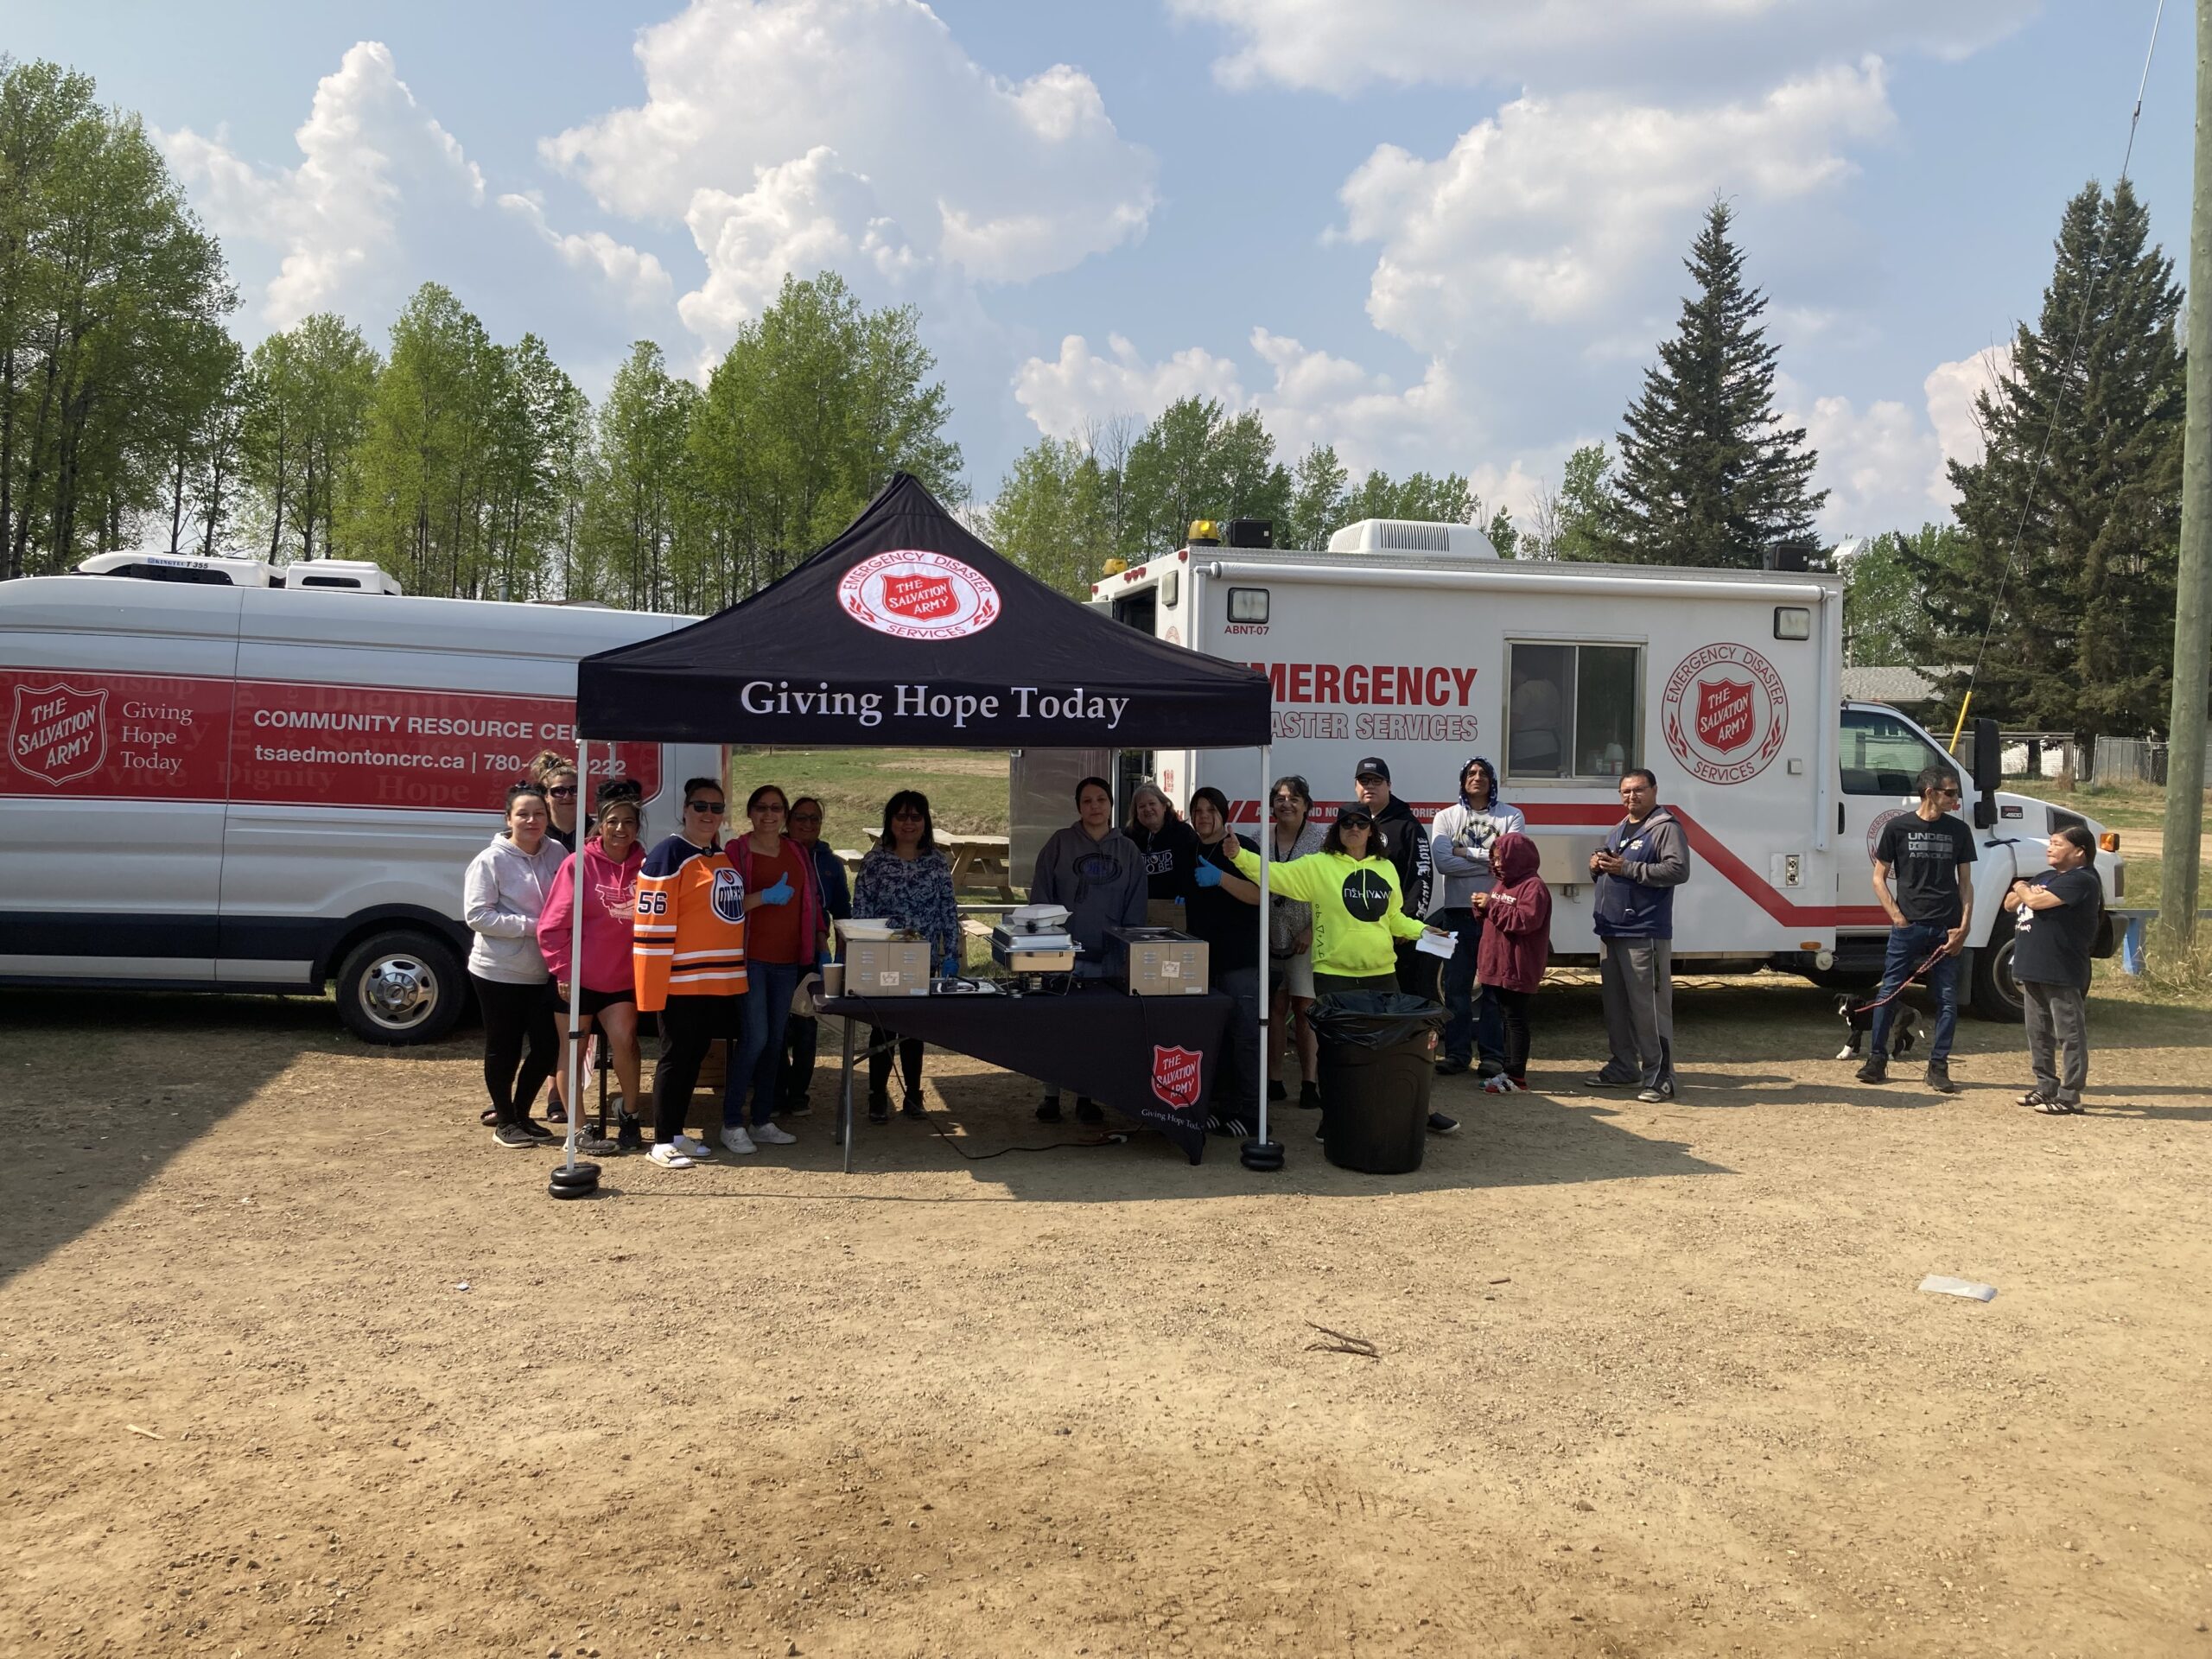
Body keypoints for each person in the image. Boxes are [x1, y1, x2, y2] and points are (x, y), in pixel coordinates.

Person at [1227, 801, 1459, 1135]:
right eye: (1347, 822)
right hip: (1334, 977)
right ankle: (1333, 1119)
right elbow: (1274, 876)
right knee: (1338, 1055)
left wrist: (1428, 934)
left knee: (1393, 1050)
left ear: (1371, 831)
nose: (1354, 828)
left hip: (1381, 975)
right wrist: (1239, 856)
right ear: (1337, 830)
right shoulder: (1319, 866)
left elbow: (1393, 919)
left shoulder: (1386, 868)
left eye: (1361, 823)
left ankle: (1410, 1111)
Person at [633, 778, 745, 1169]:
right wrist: (651, 987)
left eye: (717, 808)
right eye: (701, 807)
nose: (709, 815)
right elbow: (650, 925)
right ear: (684, 809)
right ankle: (662, 1139)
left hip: (715, 979)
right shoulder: (668, 854)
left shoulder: (718, 855)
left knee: (695, 1055)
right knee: (675, 1056)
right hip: (680, 979)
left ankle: (679, 1132)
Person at [538, 779, 647, 1154]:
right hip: (577, 978)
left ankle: (630, 1115)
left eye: (629, 822)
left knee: (626, 1043)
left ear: (637, 827)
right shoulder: (578, 864)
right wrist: (564, 971)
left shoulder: (646, 867)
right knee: (575, 1049)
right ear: (600, 826)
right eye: (613, 821)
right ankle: (579, 1129)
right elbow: (552, 925)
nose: (621, 829)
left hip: (621, 978)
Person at [1031, 775, 1147, 1124]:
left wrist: (1123, 952)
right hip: (1062, 955)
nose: (1094, 807)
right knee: (1057, 1027)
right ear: (1078, 807)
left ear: (1111, 805)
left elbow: (1135, 906)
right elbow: (1041, 896)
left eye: (1101, 800)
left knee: (1095, 1030)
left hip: (1107, 961)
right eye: (1087, 801)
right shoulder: (1060, 844)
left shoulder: (1128, 850)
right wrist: (1050, 944)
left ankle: (1087, 1097)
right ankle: (1051, 1095)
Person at [1859, 766, 1976, 1093]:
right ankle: (1876, 1060)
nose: (1956, 799)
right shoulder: (1898, 828)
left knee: (1947, 1000)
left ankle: (1938, 1066)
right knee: (1889, 992)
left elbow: (1965, 884)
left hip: (1947, 928)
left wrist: (1964, 927)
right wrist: (1897, 917)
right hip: (1908, 926)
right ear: (1930, 792)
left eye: (1956, 793)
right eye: (1950, 793)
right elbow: (1878, 878)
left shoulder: (1959, 831)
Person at [721, 785, 824, 1152]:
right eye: (762, 807)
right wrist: (763, 897)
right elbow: (723, 904)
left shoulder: (795, 850)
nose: (769, 814)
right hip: (750, 960)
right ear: (750, 813)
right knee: (756, 1039)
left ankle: (763, 1119)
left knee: (776, 1042)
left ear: (784, 814)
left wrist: (819, 942)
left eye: (776, 808)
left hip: (788, 962)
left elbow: (810, 899)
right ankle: (732, 1122)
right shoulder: (737, 850)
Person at [465, 782, 567, 1149]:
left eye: (539, 813)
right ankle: (505, 1120)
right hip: (498, 972)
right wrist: (534, 927)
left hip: (545, 971)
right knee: (503, 1047)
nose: (532, 820)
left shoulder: (557, 853)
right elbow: (477, 915)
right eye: (523, 814)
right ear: (509, 819)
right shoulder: (490, 861)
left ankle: (523, 1114)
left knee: (547, 1047)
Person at [850, 790, 961, 1122]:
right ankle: (877, 1095)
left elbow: (947, 911)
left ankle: (914, 1094)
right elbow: (861, 913)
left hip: (922, 961)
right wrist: (861, 952)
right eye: (901, 816)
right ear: (890, 821)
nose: (908, 823)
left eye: (915, 817)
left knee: (914, 1029)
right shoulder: (874, 862)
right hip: (882, 959)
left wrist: (950, 954)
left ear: (925, 822)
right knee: (882, 1029)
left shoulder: (937, 862)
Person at [1586, 769, 1691, 1103]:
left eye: (1638, 790)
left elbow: (1678, 870)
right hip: (1612, 931)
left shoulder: (1665, 827)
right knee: (1617, 1008)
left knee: (1650, 1009)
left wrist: (1626, 868)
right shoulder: (1620, 828)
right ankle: (1624, 1067)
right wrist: (1597, 865)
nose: (1632, 796)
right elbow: (1616, 867)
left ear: (1654, 790)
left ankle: (1661, 1077)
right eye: (1626, 791)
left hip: (1644, 932)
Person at [1429, 757, 1525, 1077]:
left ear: (1493, 779)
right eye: (1471, 773)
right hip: (1456, 913)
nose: (1477, 778)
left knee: (1494, 988)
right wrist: (1489, 859)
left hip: (1496, 911)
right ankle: (1456, 1054)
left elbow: (1510, 862)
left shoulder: (1512, 815)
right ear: (1462, 780)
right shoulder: (1445, 817)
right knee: (1455, 988)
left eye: (1484, 773)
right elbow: (1443, 863)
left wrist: (1464, 852)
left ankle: (1492, 1056)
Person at [1185, 786, 1263, 1137]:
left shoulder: (1241, 846)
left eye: (1210, 809)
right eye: (1197, 809)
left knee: (1245, 1037)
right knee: (1216, 1039)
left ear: (1224, 813)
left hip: (1240, 961)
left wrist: (1220, 879)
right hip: (1203, 962)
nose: (1203, 815)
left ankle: (1253, 1113)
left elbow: (1260, 894)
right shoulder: (1191, 848)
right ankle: (1221, 1106)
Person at [2006, 825, 2101, 1115]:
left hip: (2062, 968)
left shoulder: (2083, 879)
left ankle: (2070, 1095)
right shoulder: (2046, 877)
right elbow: (2010, 904)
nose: (2050, 848)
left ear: (2079, 851)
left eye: (2057, 844)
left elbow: (2031, 899)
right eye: (2050, 843)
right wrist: (2024, 891)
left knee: (2069, 1033)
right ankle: (2045, 1086)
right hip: (2031, 965)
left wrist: (2022, 888)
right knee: (2038, 1032)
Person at [778, 795, 852, 1116]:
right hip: (776, 954)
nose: (808, 824)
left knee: (807, 1026)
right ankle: (776, 1088)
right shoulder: (775, 852)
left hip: (814, 954)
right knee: (777, 1028)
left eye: (814, 819)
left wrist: (839, 960)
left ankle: (798, 1094)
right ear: (788, 821)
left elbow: (844, 915)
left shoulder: (831, 863)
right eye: (801, 818)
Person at [1471, 831, 1551, 1094]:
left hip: (1518, 965)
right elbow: (1496, 917)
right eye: (1493, 859)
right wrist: (1482, 907)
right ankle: (1507, 1071)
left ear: (1516, 857)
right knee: (1505, 1018)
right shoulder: (1502, 884)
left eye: (1500, 858)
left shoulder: (1533, 886)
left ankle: (1517, 1077)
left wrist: (1491, 904)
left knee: (1516, 1020)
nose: (1496, 864)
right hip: (1499, 965)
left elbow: (1525, 921)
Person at [1351, 756, 1435, 1000]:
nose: (1369, 786)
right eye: (1364, 781)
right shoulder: (1351, 823)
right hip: (1358, 929)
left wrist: (1410, 920)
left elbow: (1422, 875)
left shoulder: (1407, 825)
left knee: (1394, 997)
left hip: (1394, 932)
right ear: (1356, 786)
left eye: (1376, 781)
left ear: (1389, 785)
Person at [1266, 774, 1325, 1112]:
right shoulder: (1263, 834)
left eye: (1293, 798)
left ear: (1306, 804)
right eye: (1280, 798)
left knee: (1305, 1010)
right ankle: (1274, 1080)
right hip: (1272, 934)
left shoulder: (1321, 839)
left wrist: (1311, 930)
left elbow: (1329, 890)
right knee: (1274, 1009)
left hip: (1306, 936)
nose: (1286, 804)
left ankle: (1309, 1082)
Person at [1128, 781, 1201, 928]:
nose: (1147, 809)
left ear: (1164, 805)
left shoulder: (1184, 833)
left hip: (1174, 911)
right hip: (1139, 913)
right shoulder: (1129, 838)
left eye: (1152, 803)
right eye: (1141, 806)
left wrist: (1188, 894)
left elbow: (1195, 868)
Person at [529, 750, 582, 852]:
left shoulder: (596, 832)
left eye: (574, 790)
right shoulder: (536, 833)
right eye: (559, 791)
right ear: (546, 796)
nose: (567, 797)